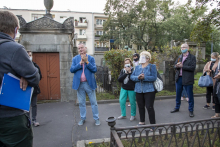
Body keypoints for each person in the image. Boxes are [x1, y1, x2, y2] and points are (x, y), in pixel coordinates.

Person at [0, 11, 40, 146]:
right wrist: (25, 74)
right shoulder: (13, 49)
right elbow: (34, 77)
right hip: (10, 119)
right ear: (16, 30)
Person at [70, 43, 100, 126]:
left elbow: (94, 69)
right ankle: (82, 118)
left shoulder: (91, 58)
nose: (80, 49)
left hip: (89, 83)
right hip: (80, 84)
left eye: (82, 48)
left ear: (85, 48)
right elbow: (71, 70)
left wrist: (87, 62)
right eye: (79, 48)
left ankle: (96, 118)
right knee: (81, 103)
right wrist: (79, 64)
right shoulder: (75, 59)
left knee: (93, 102)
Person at [131, 51, 157, 128]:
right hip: (138, 90)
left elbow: (154, 77)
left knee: (149, 106)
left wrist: (145, 77)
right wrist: (138, 77)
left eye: (143, 57)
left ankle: (153, 124)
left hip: (149, 90)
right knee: (140, 106)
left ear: (148, 59)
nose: (141, 59)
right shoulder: (137, 67)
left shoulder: (152, 66)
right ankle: (142, 121)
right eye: (141, 57)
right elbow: (132, 77)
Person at [170, 43, 196, 117]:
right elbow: (175, 66)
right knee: (178, 95)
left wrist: (182, 66)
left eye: (184, 47)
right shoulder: (179, 56)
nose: (182, 48)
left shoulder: (192, 57)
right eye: (181, 47)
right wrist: (177, 66)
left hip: (188, 79)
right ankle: (177, 108)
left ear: (188, 48)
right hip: (179, 78)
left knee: (189, 95)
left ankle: (191, 110)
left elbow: (192, 68)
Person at [27, 51, 42, 126]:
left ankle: (34, 120)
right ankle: (27, 121)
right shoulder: (22, 66)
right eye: (28, 55)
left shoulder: (35, 66)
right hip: (25, 89)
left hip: (34, 88)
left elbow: (40, 76)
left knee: (34, 105)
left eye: (30, 55)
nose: (29, 57)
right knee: (26, 106)